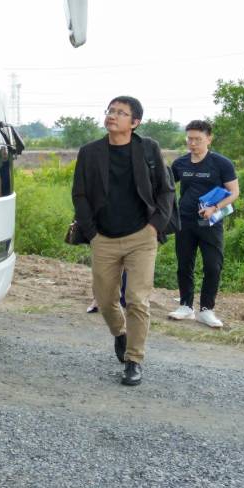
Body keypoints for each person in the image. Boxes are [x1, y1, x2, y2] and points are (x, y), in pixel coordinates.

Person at [71, 96, 176, 386]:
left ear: (135, 122)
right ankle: (120, 333)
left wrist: (155, 226)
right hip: (103, 237)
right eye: (111, 110)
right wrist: (92, 233)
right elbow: (79, 194)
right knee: (105, 300)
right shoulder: (90, 152)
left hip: (142, 236)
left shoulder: (148, 149)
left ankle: (134, 360)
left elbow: (166, 190)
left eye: (121, 112)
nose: (113, 115)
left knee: (137, 299)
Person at [168, 120, 239, 328]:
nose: (192, 143)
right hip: (185, 221)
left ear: (209, 139)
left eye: (197, 139)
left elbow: (234, 192)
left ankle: (207, 309)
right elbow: (166, 187)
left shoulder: (222, 163)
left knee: (213, 266)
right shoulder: (180, 164)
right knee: (184, 264)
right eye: (189, 139)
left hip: (210, 222)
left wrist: (215, 208)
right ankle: (186, 306)